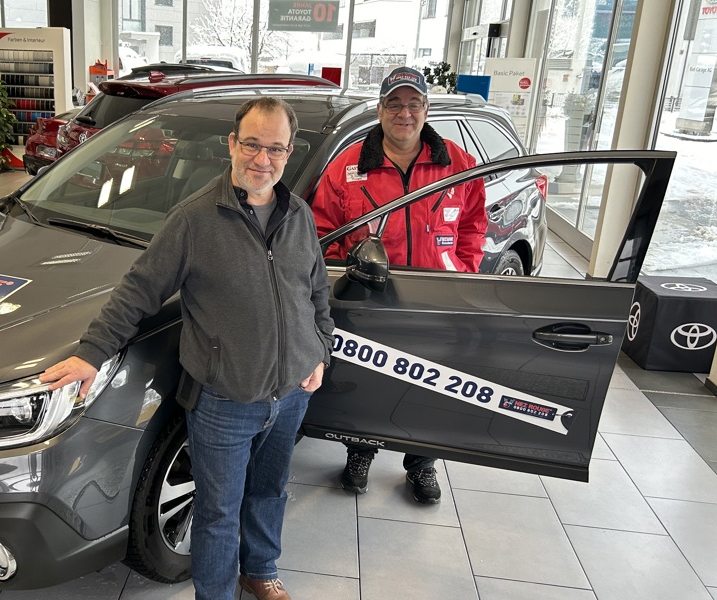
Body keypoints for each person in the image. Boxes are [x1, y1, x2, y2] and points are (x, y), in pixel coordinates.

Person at [42, 97, 334, 600]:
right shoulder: (194, 220)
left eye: (276, 149)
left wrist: (320, 350)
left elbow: (316, 290)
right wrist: (92, 353)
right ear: (232, 145)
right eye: (252, 145)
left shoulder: (299, 216)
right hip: (224, 401)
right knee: (218, 512)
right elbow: (138, 290)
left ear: (289, 153)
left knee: (269, 491)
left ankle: (260, 570)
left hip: (290, 395)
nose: (262, 160)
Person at [311, 66, 487, 503]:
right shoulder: (346, 167)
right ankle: (360, 452)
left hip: (435, 300)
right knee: (367, 382)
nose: (403, 113)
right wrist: (343, 276)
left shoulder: (459, 164)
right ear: (380, 110)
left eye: (413, 103)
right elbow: (321, 230)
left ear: (426, 109)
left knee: (430, 386)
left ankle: (421, 462)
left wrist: (461, 272)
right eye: (394, 103)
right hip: (371, 297)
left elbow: (473, 226)